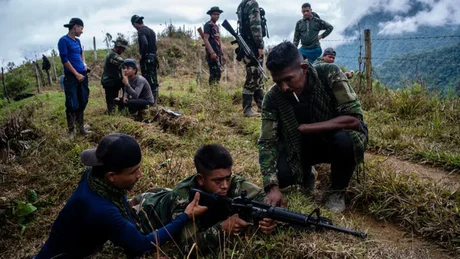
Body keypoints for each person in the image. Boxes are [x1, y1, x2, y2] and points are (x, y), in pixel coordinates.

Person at [35, 133, 208, 258]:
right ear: (111, 176)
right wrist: (185, 216)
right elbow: (141, 245)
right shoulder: (101, 209)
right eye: (133, 171)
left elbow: (121, 201)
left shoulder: (95, 176)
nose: (140, 175)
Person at [258, 41, 368, 213]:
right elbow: (267, 142)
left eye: (288, 79)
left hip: (331, 141)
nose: (284, 87)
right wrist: (272, 187)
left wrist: (309, 128)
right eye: (278, 82)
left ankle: (336, 191)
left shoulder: (328, 73)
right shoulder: (273, 98)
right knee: (283, 175)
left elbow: (354, 119)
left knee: (347, 141)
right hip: (299, 147)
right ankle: (306, 174)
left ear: (303, 68)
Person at [131, 144, 276, 255]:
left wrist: (267, 218)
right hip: (144, 209)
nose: (225, 185)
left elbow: (262, 199)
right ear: (201, 179)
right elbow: (187, 248)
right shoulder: (183, 197)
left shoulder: (230, 181)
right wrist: (221, 230)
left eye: (228, 178)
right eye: (218, 181)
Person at [58, 18, 91, 139]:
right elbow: (64, 60)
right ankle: (71, 131)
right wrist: (76, 74)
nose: (82, 31)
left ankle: (81, 127)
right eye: (81, 28)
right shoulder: (63, 41)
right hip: (72, 77)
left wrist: (84, 64)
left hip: (83, 75)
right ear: (75, 27)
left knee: (83, 100)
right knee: (72, 103)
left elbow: (81, 54)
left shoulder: (77, 41)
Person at [237, 0, 265, 117]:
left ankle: (262, 107)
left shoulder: (241, 5)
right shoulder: (253, 4)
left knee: (257, 77)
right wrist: (260, 45)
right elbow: (255, 26)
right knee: (253, 76)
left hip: (245, 45)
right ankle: (247, 110)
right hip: (252, 46)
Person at [131, 15, 159, 105]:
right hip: (154, 57)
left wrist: (142, 55)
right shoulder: (151, 31)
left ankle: (150, 102)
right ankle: (155, 101)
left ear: (134, 24)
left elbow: (145, 43)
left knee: (147, 79)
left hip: (147, 59)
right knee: (153, 78)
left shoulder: (141, 31)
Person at [101, 37, 128, 114]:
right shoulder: (113, 55)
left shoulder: (113, 54)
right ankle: (112, 115)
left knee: (115, 99)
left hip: (113, 81)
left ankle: (119, 111)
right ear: (119, 47)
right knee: (111, 102)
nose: (124, 50)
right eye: (123, 48)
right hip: (110, 82)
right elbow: (124, 63)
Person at [203, 6, 225, 86]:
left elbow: (218, 40)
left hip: (218, 53)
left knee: (218, 74)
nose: (216, 16)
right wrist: (212, 53)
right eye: (214, 14)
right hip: (212, 54)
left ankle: (216, 90)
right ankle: (212, 92)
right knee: (213, 74)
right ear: (211, 15)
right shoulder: (208, 25)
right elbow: (206, 39)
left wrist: (222, 53)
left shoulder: (216, 27)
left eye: (218, 14)